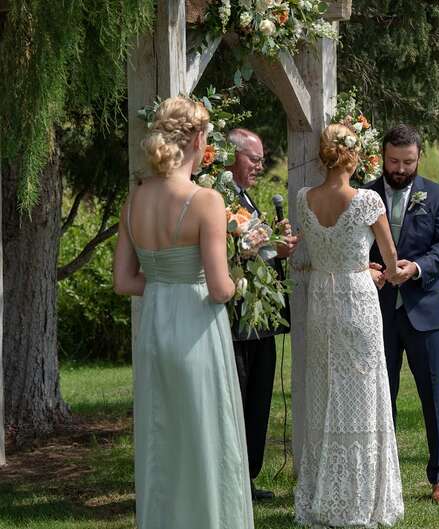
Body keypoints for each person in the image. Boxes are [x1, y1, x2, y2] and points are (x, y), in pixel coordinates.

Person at [112, 96, 254, 529]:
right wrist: (242, 277)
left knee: (163, 439)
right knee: (206, 439)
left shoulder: (133, 202)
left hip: (155, 329)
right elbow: (218, 288)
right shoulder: (206, 200)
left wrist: (162, 288)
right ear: (196, 139)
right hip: (196, 331)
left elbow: (123, 281)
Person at [293, 123, 404, 527]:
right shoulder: (369, 199)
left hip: (321, 298)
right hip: (357, 299)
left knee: (323, 389)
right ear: (354, 157)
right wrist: (380, 272)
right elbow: (391, 262)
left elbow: (307, 248)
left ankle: (323, 495)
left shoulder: (305, 198)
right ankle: (360, 501)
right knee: (362, 391)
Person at [367, 124, 439, 504]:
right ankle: (378, 476)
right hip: (378, 312)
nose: (400, 169)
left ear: (419, 157)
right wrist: (368, 269)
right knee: (379, 396)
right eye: (393, 161)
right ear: (383, 157)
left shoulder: (437, 195)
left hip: (426, 312)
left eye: (408, 161)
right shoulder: (364, 194)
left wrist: (415, 268)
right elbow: (354, 245)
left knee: (434, 395)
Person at [226, 128, 298, 501]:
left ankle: (248, 478)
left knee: (258, 401)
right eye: (253, 158)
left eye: (261, 158)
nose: (259, 165)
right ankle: (234, 479)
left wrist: (274, 241)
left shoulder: (246, 199)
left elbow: (256, 248)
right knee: (238, 400)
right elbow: (234, 251)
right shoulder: (220, 198)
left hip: (260, 322)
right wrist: (273, 247)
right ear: (231, 156)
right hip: (236, 321)